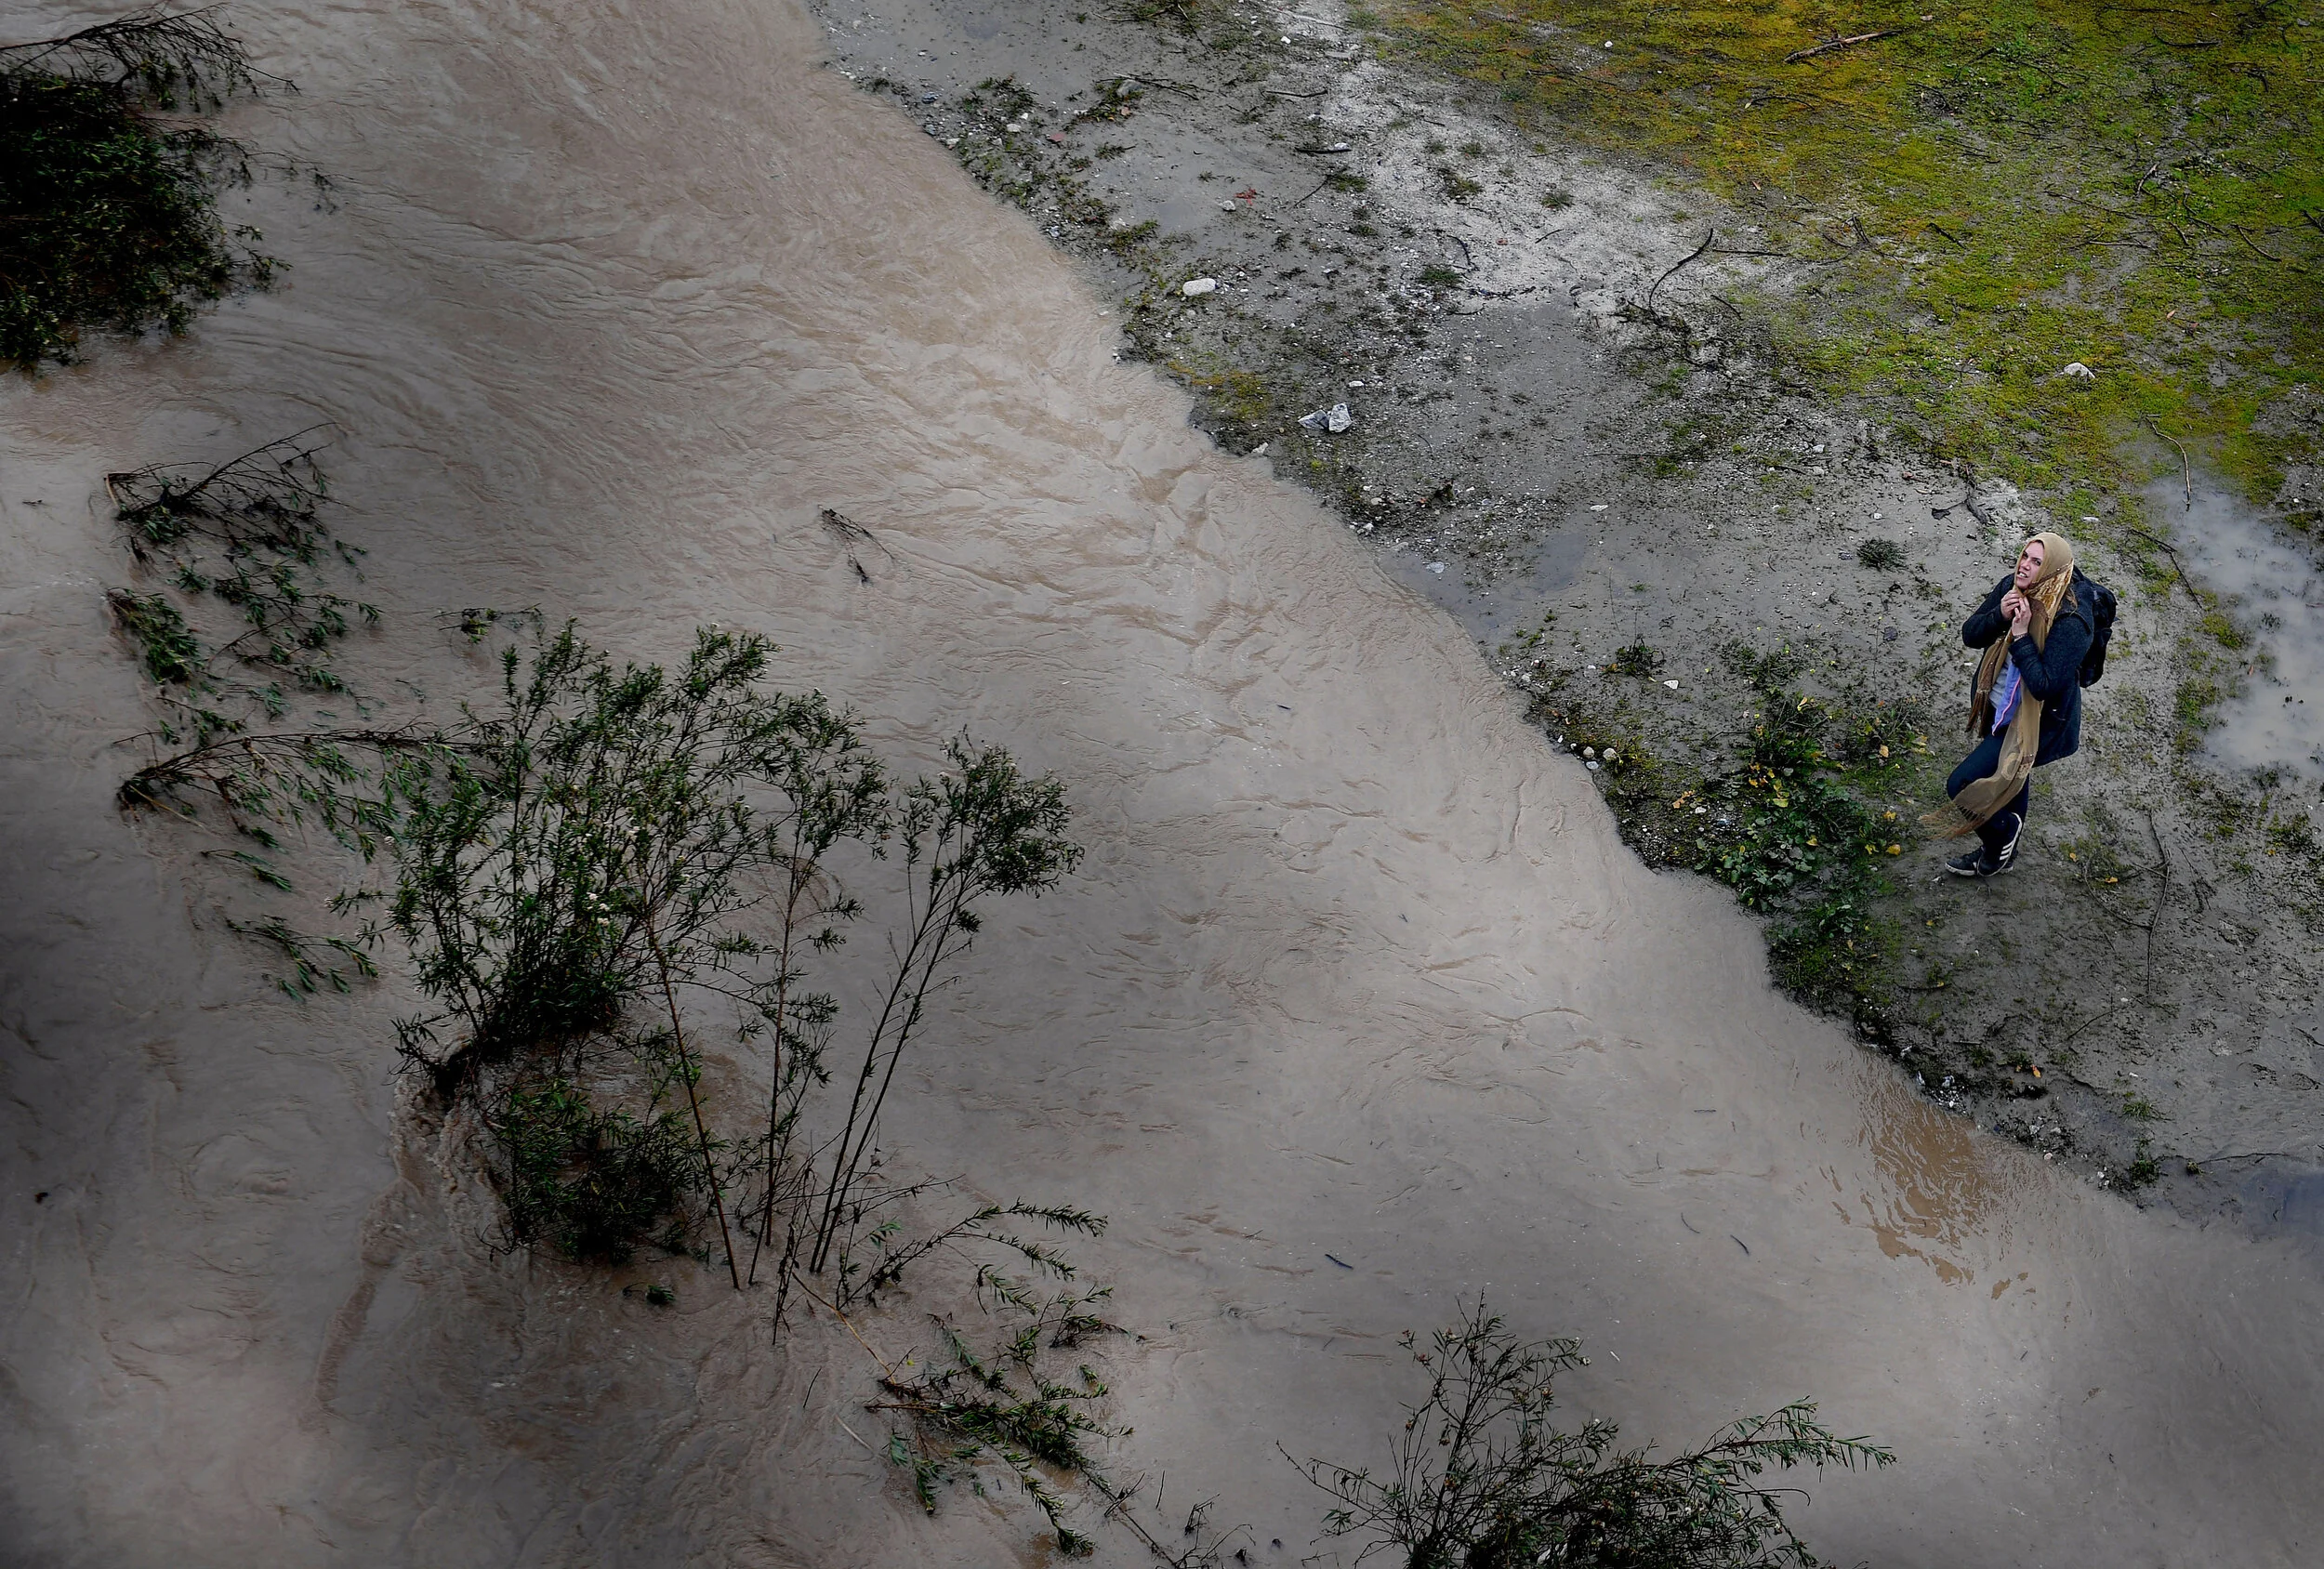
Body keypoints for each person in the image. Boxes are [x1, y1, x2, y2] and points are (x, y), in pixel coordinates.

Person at [1926, 530, 2093, 878]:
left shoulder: (2072, 619)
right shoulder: (2013, 587)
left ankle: (1998, 839)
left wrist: (2019, 636)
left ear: (2051, 569)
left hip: (2037, 720)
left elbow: (2044, 684)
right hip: (1998, 703)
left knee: (1960, 785)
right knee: (2014, 775)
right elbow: (1971, 634)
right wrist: (1999, 617)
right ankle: (2006, 850)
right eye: (2024, 557)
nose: (2025, 567)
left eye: (2036, 562)